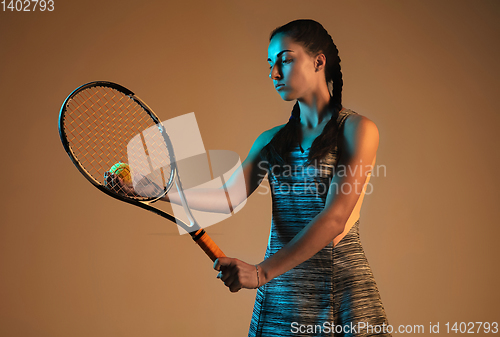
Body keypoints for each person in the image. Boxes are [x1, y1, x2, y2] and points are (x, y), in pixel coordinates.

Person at [161, 19, 390, 336]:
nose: (274, 74)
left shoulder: (357, 130)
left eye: (285, 60)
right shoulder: (271, 140)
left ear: (318, 61)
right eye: (270, 65)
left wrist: (260, 273)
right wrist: (159, 191)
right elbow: (225, 198)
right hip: (282, 295)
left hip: (338, 291)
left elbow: (335, 218)